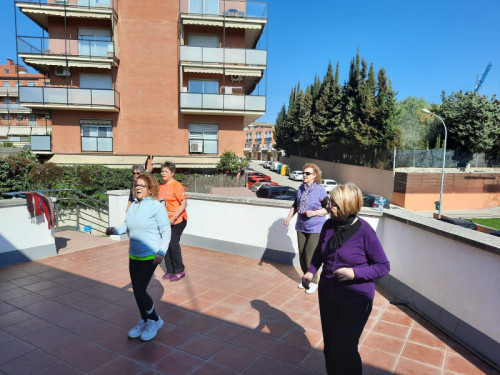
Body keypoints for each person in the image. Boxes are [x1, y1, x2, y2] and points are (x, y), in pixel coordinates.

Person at [302, 183, 390, 374]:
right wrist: (311, 270)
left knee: (345, 348)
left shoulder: (365, 232)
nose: (328, 205)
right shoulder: (328, 225)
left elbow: (383, 266)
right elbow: (319, 252)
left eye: (333, 203)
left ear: (347, 206)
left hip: (356, 299)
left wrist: (354, 273)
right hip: (328, 296)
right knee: (330, 347)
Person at [105, 173, 170, 341]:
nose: (138, 188)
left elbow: (166, 230)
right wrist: (115, 230)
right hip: (133, 254)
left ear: (150, 189)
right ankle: (144, 319)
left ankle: (154, 320)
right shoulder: (133, 205)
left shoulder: (156, 206)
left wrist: (161, 252)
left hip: (150, 255)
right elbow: (127, 226)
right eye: (136, 185)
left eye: (142, 185)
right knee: (137, 291)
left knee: (140, 289)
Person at [284, 163, 328, 294]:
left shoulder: (320, 190)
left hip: (316, 227)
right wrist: (289, 217)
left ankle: (314, 281)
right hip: (301, 226)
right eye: (304, 173)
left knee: (310, 254)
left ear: (314, 176)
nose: (304, 175)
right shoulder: (300, 189)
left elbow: (327, 209)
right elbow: (295, 205)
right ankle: (306, 278)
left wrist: (314, 213)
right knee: (302, 255)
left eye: (307, 173)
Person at [158, 161, 188, 282]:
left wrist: (174, 217)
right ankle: (170, 270)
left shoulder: (177, 186)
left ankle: (180, 270)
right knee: (165, 244)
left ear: (172, 173)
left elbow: (184, 203)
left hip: (178, 220)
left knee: (173, 244)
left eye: (166, 171)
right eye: (162, 171)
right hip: (166, 221)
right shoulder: (161, 187)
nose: (163, 173)